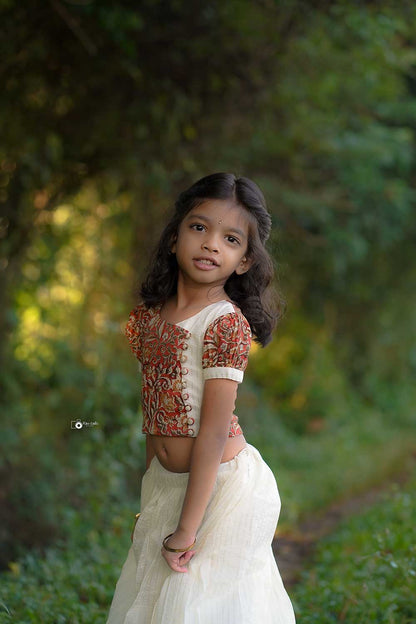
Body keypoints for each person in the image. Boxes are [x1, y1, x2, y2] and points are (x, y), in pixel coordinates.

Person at [106, 173, 296, 624]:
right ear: (174, 239)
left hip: (224, 489)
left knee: (194, 606)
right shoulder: (147, 319)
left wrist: (187, 529)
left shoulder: (224, 322)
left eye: (230, 238)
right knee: (152, 601)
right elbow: (153, 412)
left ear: (245, 261)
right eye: (199, 228)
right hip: (169, 486)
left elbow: (211, 432)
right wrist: (149, 498)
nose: (211, 244)